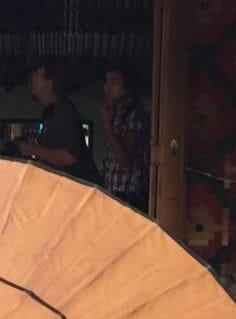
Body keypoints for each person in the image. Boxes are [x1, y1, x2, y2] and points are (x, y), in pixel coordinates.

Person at [15, 62, 95, 184]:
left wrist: (32, 149)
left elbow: (70, 156)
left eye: (38, 74)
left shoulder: (63, 110)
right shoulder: (51, 112)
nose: (33, 77)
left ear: (51, 82)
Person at [96, 65, 151, 209]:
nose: (107, 87)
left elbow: (124, 160)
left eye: (114, 82)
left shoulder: (134, 114)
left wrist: (107, 124)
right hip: (116, 192)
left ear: (127, 86)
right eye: (106, 82)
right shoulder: (116, 113)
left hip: (128, 195)